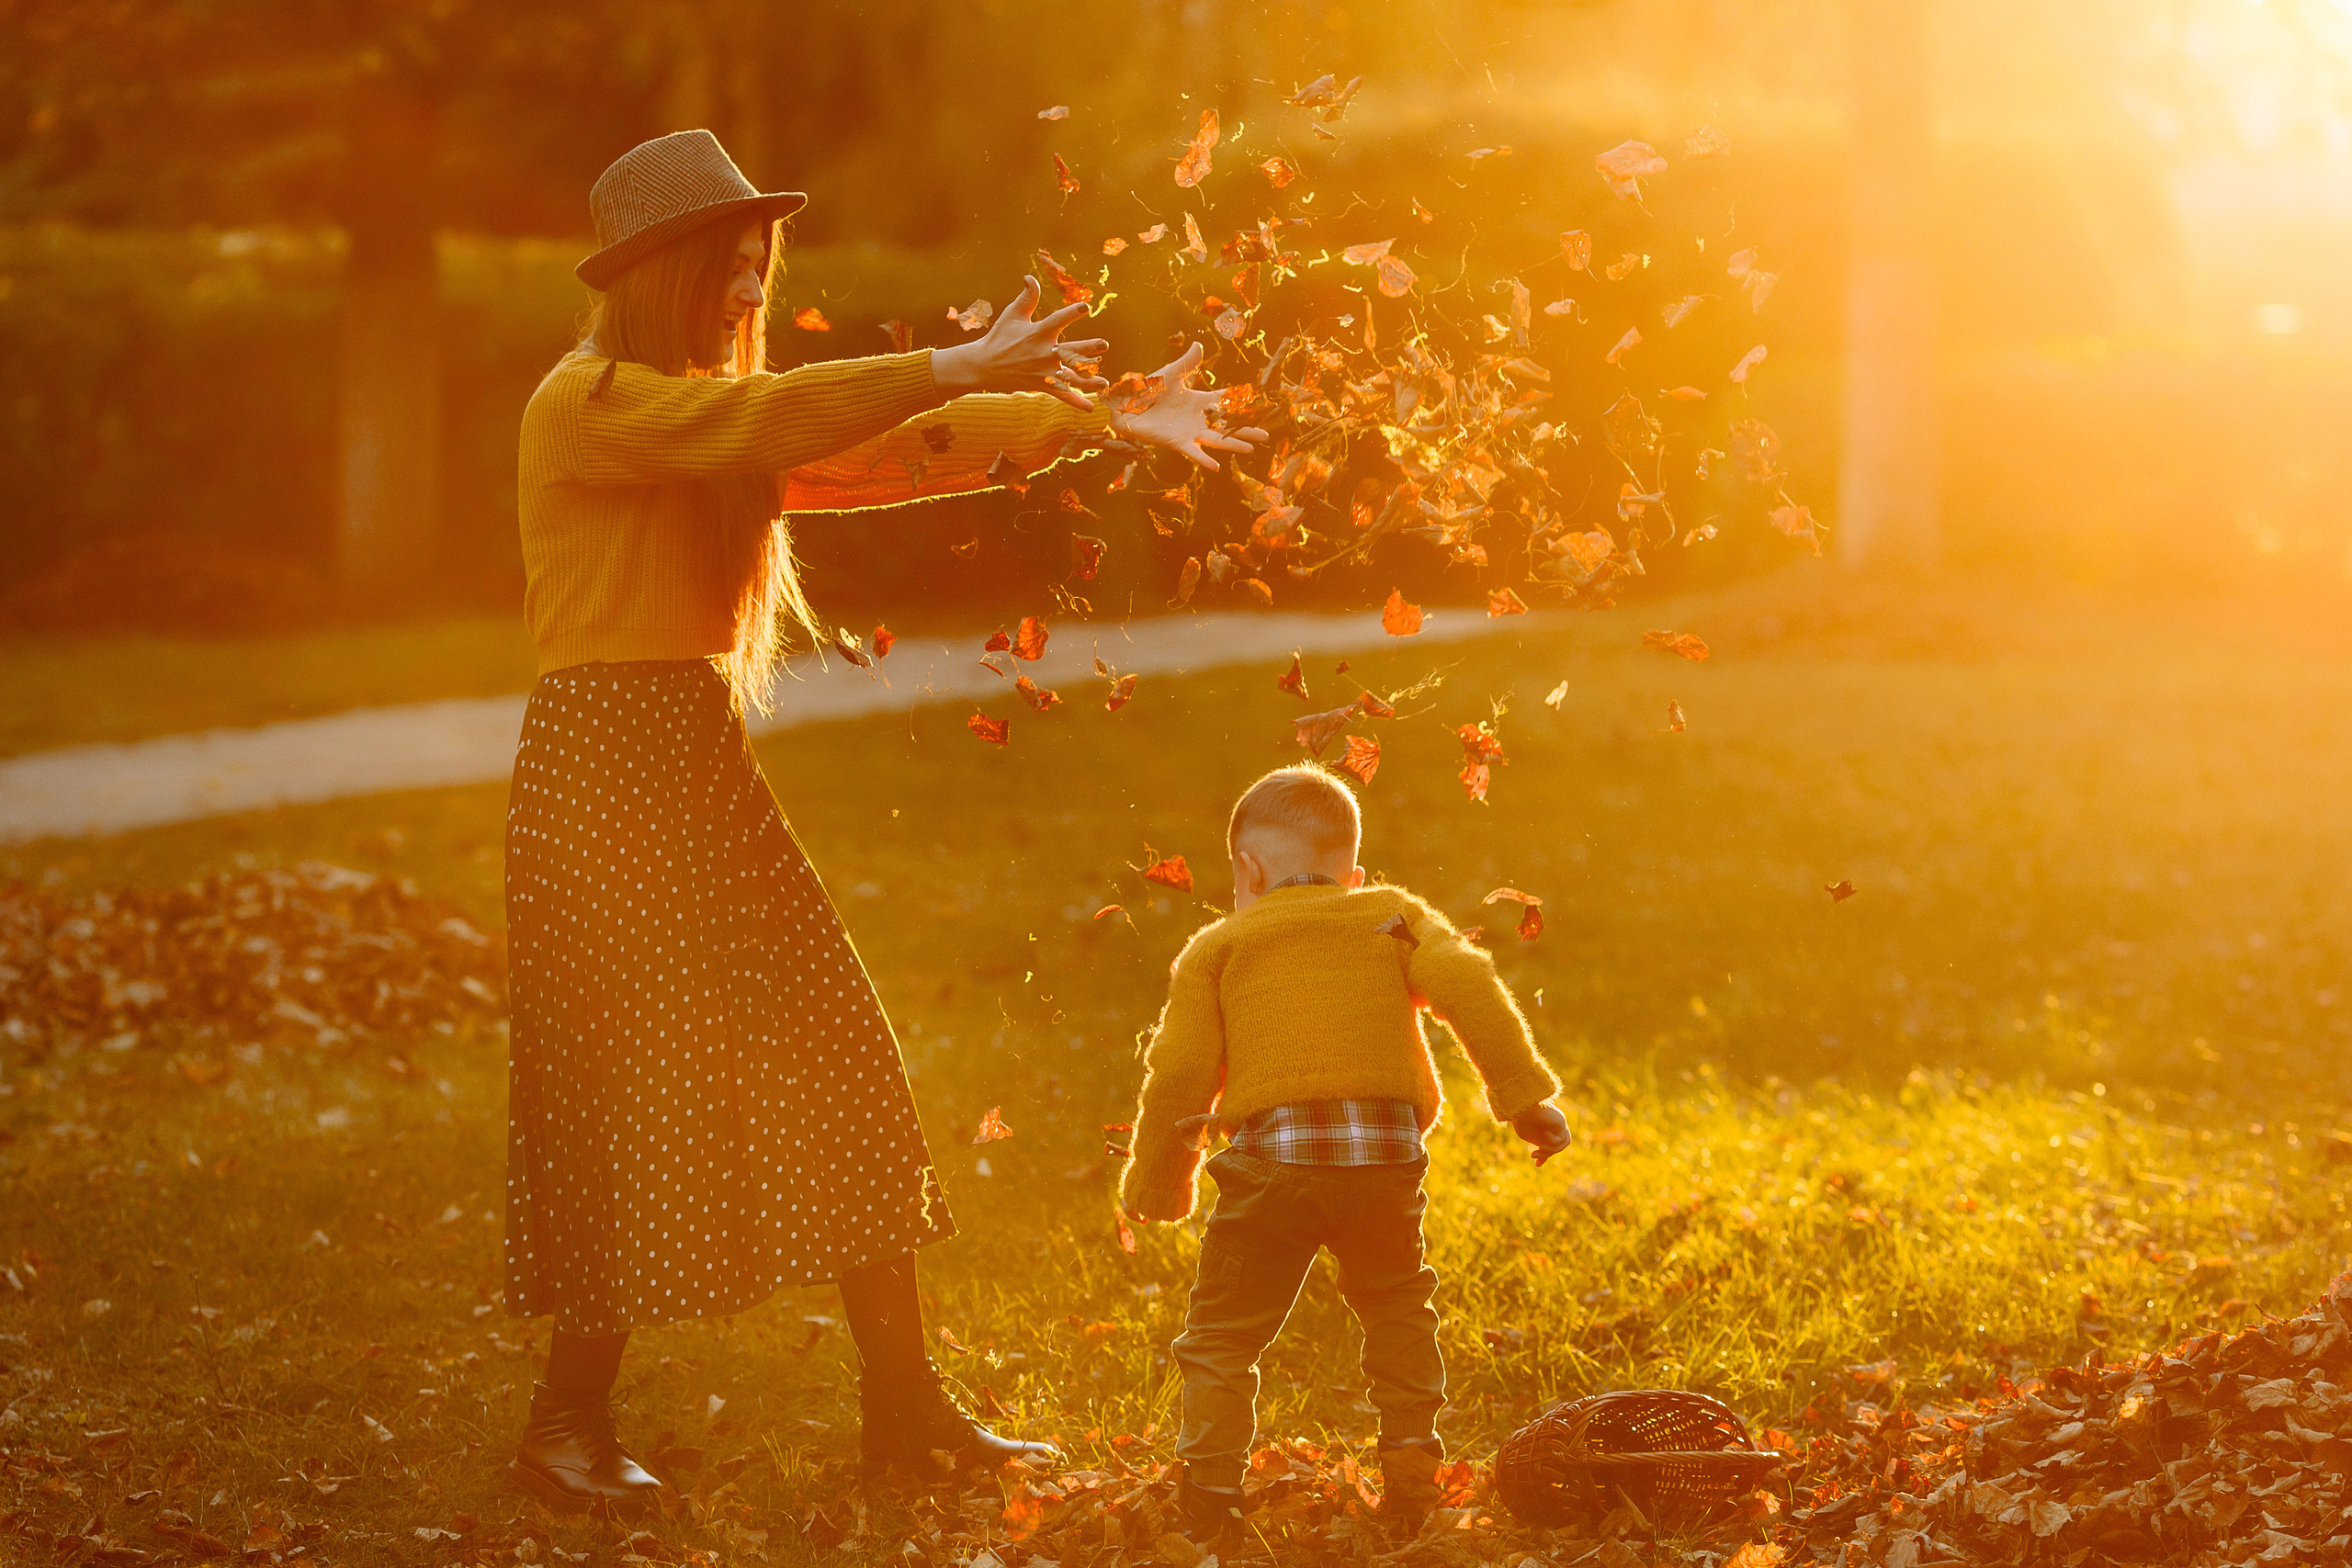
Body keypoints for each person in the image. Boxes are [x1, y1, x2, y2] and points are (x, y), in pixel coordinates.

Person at [501, 129, 1268, 1516]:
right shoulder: (591, 404)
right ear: (654, 273)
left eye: (757, 270)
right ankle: (565, 1421)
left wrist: (1093, 419)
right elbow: (765, 420)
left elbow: (876, 452)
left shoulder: (700, 417)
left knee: (842, 1060)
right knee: (626, 1098)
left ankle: (907, 1410)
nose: (748, 295)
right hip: (601, 776)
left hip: (687, 759)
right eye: (726, 273)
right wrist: (948, 361)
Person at [1117, 764, 1574, 1536]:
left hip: (1273, 1171)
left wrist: (1160, 1183)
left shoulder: (1222, 943)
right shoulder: (1390, 914)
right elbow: (1469, 981)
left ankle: (1210, 1497)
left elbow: (1182, 1071)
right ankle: (1410, 1478)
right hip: (1383, 1169)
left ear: (1248, 871)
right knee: (1397, 1306)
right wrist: (1525, 1097)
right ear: (1351, 872)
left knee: (1225, 1334)